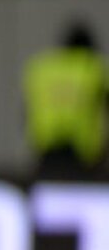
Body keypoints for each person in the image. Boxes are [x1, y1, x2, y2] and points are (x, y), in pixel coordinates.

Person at [23, 21, 108, 179]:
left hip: (45, 155)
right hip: (84, 157)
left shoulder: (41, 69)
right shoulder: (94, 67)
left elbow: (26, 112)